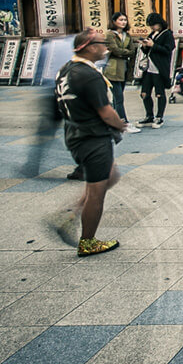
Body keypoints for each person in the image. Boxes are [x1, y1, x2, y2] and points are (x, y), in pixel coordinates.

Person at [55, 28, 131, 257]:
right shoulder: (88, 75)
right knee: (97, 191)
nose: (105, 47)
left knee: (111, 176)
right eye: (101, 43)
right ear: (89, 47)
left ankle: (71, 213)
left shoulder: (68, 69)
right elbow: (106, 111)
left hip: (76, 132)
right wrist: (120, 124)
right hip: (92, 137)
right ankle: (87, 241)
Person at [137, 13, 174, 128]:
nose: (152, 27)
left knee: (159, 93)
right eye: (151, 25)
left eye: (154, 25)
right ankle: (149, 115)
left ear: (160, 23)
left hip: (159, 68)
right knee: (144, 93)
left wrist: (153, 45)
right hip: (149, 69)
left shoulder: (167, 34)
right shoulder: (152, 34)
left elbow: (168, 49)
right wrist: (144, 46)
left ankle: (159, 117)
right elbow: (148, 51)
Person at [103, 12, 137, 125]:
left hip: (124, 68)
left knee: (118, 96)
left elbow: (132, 51)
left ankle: (114, 119)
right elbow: (114, 49)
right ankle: (123, 121)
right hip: (112, 68)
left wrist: (123, 53)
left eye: (125, 20)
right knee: (118, 97)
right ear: (114, 21)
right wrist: (123, 53)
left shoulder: (127, 35)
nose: (123, 22)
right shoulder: (109, 34)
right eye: (120, 20)